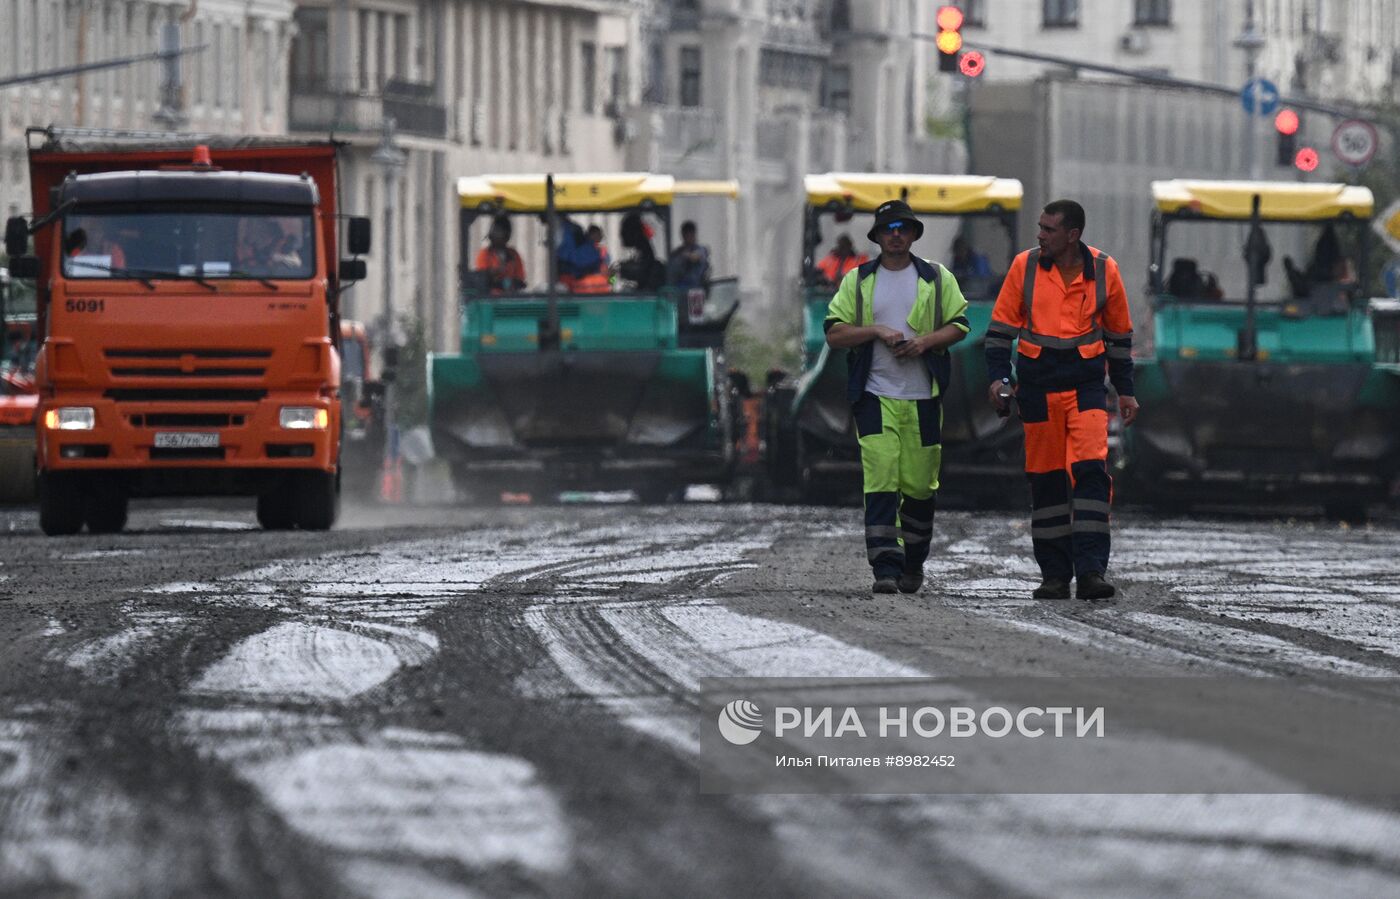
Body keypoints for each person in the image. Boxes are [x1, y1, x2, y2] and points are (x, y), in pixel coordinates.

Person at [984, 199, 1139, 601]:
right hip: (1037, 391)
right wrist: (999, 380)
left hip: (1086, 389)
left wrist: (1126, 391)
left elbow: (1119, 339)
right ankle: (1054, 576)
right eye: (1040, 227)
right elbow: (999, 333)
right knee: (1047, 480)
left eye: (1048, 229)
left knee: (1090, 473)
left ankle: (1091, 572)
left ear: (1072, 235)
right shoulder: (1025, 267)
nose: (1040, 235)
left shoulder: (1104, 270)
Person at [824, 199, 971, 595]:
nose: (895, 235)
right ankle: (885, 567)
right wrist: (875, 331)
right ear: (877, 236)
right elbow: (835, 333)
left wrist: (924, 342)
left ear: (913, 234)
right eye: (888, 229)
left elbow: (959, 325)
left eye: (902, 228)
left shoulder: (936, 278)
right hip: (875, 395)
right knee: (881, 475)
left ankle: (913, 561)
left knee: (920, 486)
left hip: (923, 398)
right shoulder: (858, 281)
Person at [474, 214, 527, 292]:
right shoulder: (485, 254)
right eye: (494, 234)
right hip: (489, 297)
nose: (495, 238)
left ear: (507, 236)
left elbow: (520, 278)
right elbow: (481, 278)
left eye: (499, 234)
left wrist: (511, 283)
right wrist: (495, 273)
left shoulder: (513, 254)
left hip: (511, 297)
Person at [617, 211, 666, 291]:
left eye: (624, 232)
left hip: (646, 291)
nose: (621, 236)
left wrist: (623, 269)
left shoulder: (644, 247)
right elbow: (612, 280)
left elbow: (643, 270)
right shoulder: (636, 250)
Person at [667, 220, 712, 288]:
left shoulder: (701, 249)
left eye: (691, 234)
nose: (688, 237)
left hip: (696, 289)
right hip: (679, 288)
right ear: (682, 235)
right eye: (686, 234)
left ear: (694, 234)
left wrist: (685, 255)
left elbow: (695, 257)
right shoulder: (676, 253)